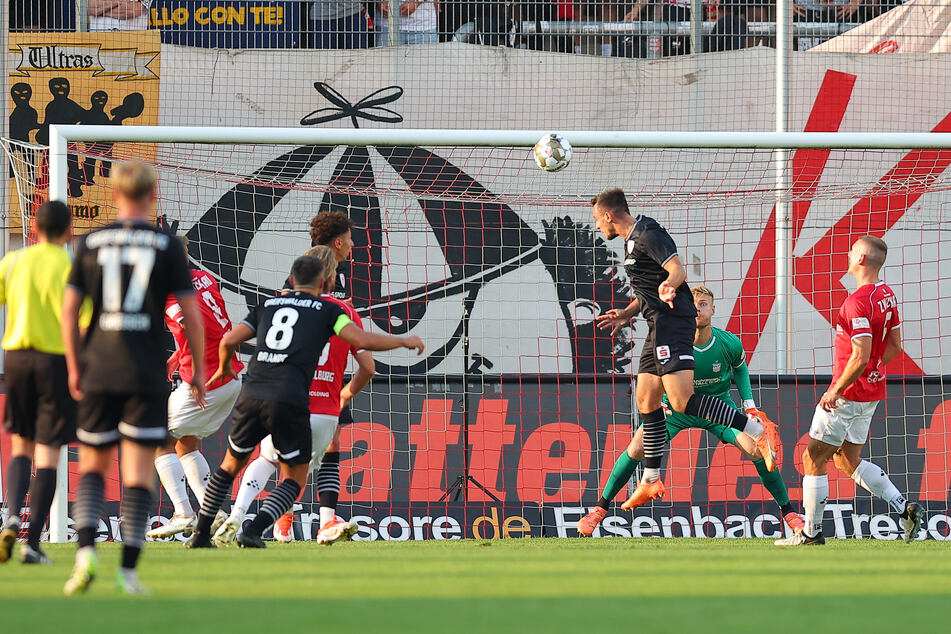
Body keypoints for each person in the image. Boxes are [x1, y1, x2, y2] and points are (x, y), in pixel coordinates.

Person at [185, 255, 423, 549]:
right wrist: (402, 340)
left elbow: (227, 340)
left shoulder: (268, 305)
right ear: (324, 282)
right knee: (295, 477)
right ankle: (255, 530)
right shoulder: (328, 309)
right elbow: (361, 340)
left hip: (253, 393)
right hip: (290, 399)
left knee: (228, 467)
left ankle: (200, 535)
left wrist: (224, 368)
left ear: (292, 279)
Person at [62, 160, 206, 595]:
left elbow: (69, 311)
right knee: (139, 471)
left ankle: (85, 553)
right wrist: (196, 372)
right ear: (152, 195)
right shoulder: (165, 244)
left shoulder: (90, 242)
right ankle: (128, 571)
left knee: (93, 464)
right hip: (145, 370)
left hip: (100, 366)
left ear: (113, 195)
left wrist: (73, 365)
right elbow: (192, 316)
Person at [591, 188, 778, 510]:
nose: (597, 226)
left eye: (596, 219)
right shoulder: (631, 242)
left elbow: (676, 269)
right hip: (655, 324)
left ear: (608, 215)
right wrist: (627, 313)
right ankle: (650, 479)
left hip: (673, 323)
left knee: (682, 401)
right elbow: (649, 290)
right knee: (646, 399)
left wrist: (670, 285)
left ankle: (757, 430)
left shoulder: (648, 232)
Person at [578, 285, 804, 535]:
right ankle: (599, 509)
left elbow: (740, 368)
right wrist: (659, 404)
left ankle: (789, 513)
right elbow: (652, 377)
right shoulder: (670, 343)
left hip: (719, 410)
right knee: (636, 446)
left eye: (704, 304)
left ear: (713, 309)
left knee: (755, 449)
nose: (698, 309)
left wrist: (749, 405)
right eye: (693, 304)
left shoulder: (728, 342)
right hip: (675, 410)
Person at [214, 246, 374, 546]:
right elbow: (367, 364)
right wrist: (346, 394)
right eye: (348, 240)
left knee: (268, 456)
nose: (351, 246)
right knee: (313, 461)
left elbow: (232, 339)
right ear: (330, 275)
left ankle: (239, 514)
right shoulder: (342, 312)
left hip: (276, 390)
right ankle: (316, 522)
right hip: (322, 398)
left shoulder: (281, 303)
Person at [776, 236, 924, 546]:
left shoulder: (856, 302)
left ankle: (811, 534)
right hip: (869, 392)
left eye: (852, 251)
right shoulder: (887, 295)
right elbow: (894, 346)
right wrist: (872, 369)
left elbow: (859, 354)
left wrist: (836, 390)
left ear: (860, 260)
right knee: (847, 459)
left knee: (812, 458)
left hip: (847, 393)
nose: (847, 254)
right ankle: (903, 508)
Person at [0, 201, 84, 565]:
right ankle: (32, 543)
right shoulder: (72, 267)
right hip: (55, 362)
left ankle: (10, 517)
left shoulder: (14, 261)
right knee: (49, 452)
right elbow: (85, 323)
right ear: (69, 231)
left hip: (16, 359)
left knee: (22, 445)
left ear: (33, 226)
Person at [146, 236, 243, 540]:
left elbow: (194, 326)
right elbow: (213, 326)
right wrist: (178, 356)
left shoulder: (169, 295)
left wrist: (197, 371)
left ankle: (183, 513)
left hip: (207, 378)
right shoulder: (204, 278)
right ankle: (211, 512)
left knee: (157, 435)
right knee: (185, 443)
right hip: (231, 376)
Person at [375, 0, 439, 45]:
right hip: (387, 26)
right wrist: (379, 2)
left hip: (423, 26)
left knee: (427, 63)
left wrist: (416, 2)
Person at [87, 0, 152, 31]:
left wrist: (100, 11)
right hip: (100, 39)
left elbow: (133, 10)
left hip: (133, 41)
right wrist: (118, 2)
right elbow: (91, 8)